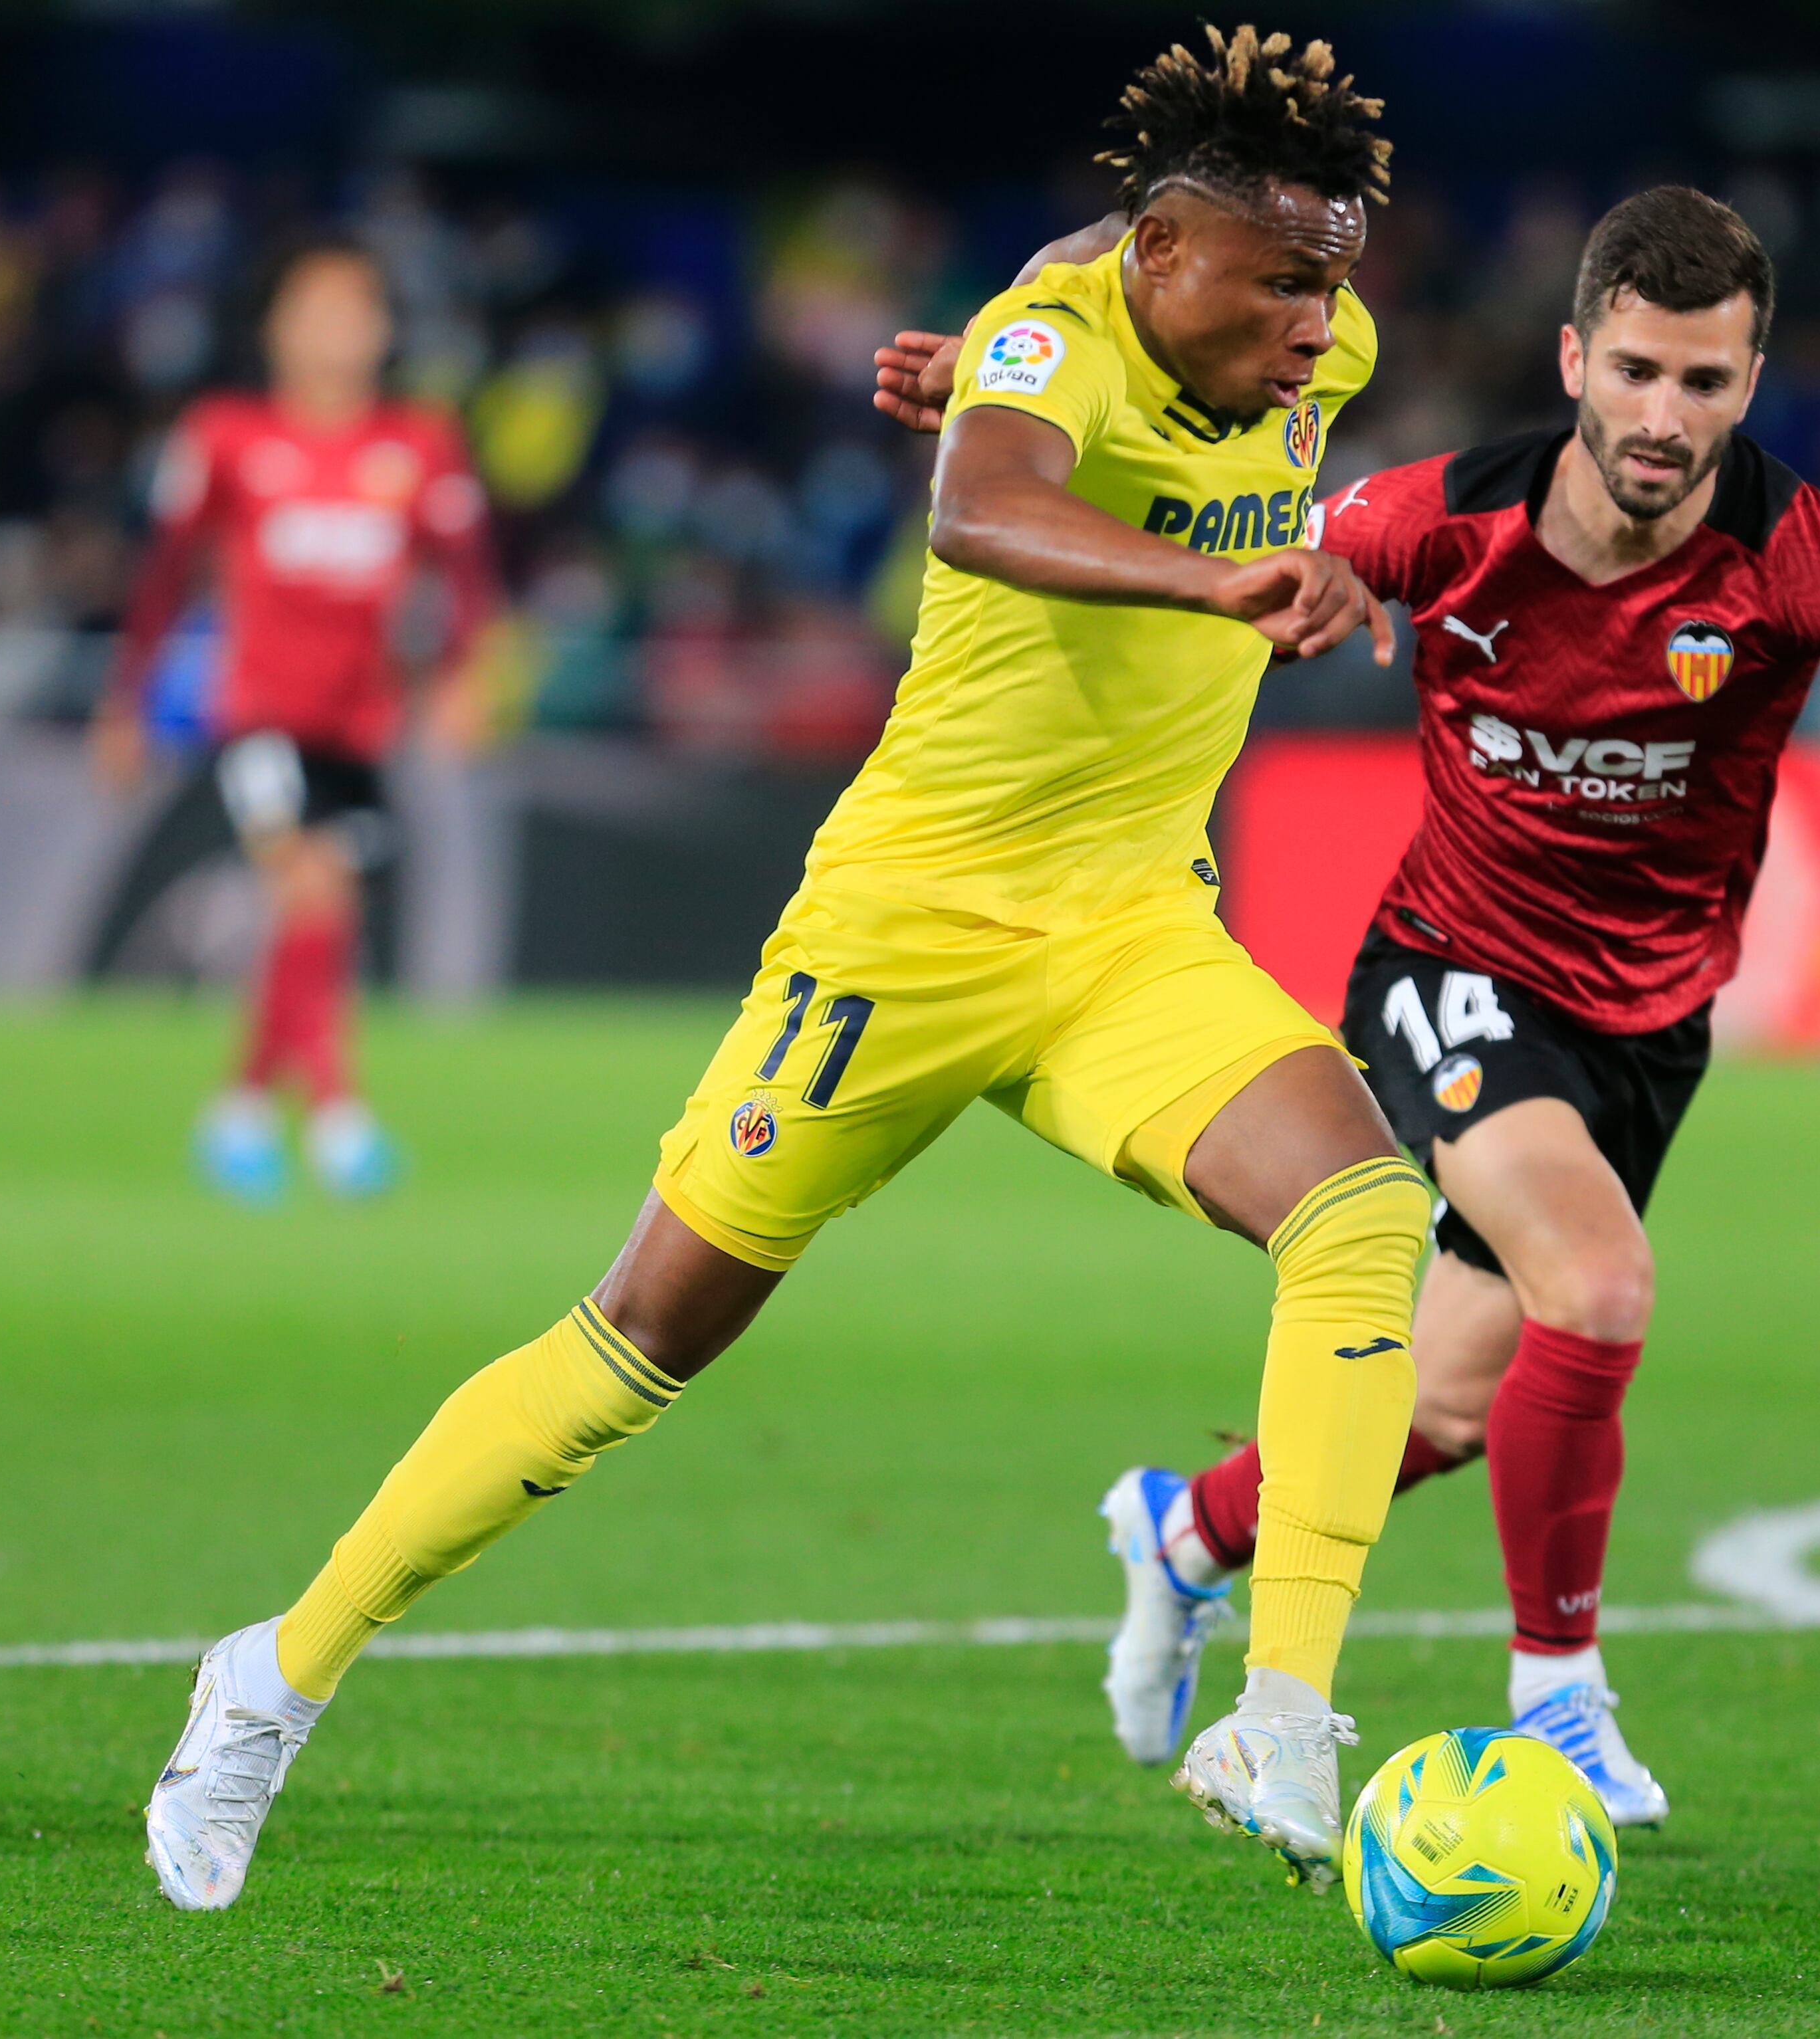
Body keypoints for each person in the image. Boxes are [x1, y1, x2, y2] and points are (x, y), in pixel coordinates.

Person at [147, 25, 1428, 1912]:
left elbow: (1102, 320)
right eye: (1280, 282)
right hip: (902, 932)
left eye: (1333, 283)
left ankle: (1287, 1708)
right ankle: (275, 1669)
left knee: (1362, 1212)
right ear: (1162, 253)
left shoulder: (1265, 338)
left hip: (1133, 925)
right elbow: (981, 502)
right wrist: (1200, 563)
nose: (1320, 328)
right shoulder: (1053, 346)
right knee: (634, 1345)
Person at [877, 185, 1820, 1826]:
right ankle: (1557, 1695)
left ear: (1748, 385)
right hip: (1450, 976)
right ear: (1574, 357)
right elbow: (1210, 521)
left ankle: (1188, 1528)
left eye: (1702, 383)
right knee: (1601, 1282)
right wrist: (1007, 379)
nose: (1661, 414)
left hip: (1650, 1026)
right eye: (1633, 370)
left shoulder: (1807, 561)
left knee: (1447, 1403)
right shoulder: (1440, 519)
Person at [90, 235, 499, 1203]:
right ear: (275, 326)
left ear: (384, 330)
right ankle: (338, 1117)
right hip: (257, 716)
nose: (335, 328)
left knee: (325, 916)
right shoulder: (227, 436)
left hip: (359, 725)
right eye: (313, 306)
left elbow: (468, 578)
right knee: (308, 889)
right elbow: (162, 576)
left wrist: (462, 675)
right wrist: (127, 699)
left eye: (355, 308)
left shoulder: (418, 446)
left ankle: (236, 1106)